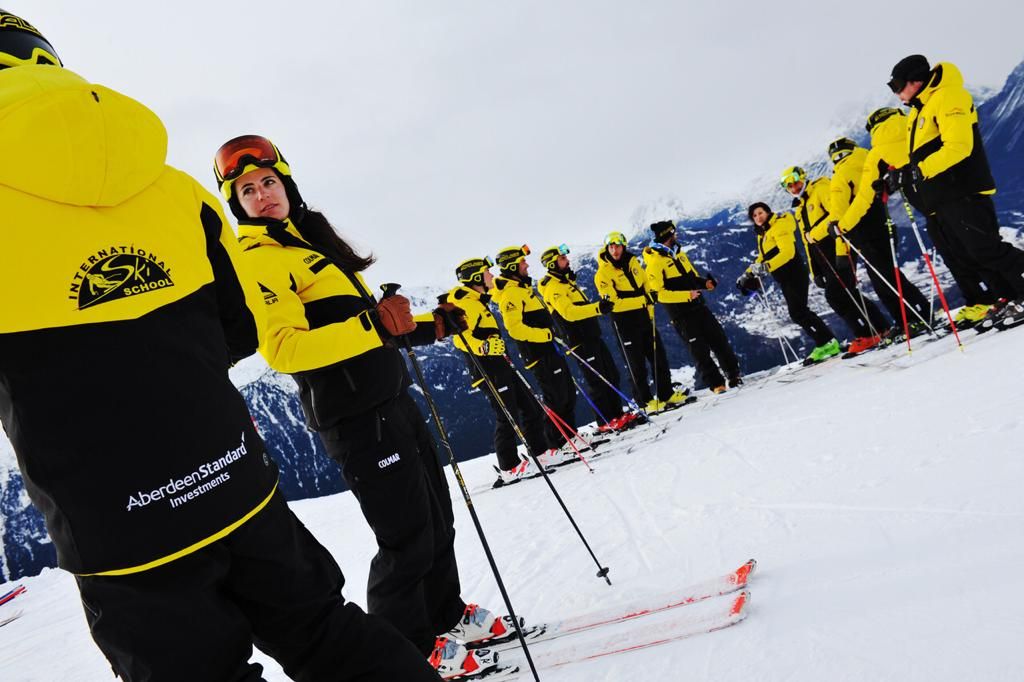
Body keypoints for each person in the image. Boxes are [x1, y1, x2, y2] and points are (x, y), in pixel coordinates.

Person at [0, 12, 440, 682]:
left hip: (121, 528)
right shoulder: (174, 190)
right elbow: (240, 332)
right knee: (328, 634)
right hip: (235, 477)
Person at [213, 134, 505, 678]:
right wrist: (374, 324)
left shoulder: (308, 246)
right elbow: (283, 349)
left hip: (389, 398)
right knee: (405, 536)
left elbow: (363, 327)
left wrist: (424, 328)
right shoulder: (258, 261)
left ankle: (442, 615)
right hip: (353, 417)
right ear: (238, 204)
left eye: (269, 183)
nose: (262, 194)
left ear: (287, 185)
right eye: (248, 190)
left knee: (437, 519)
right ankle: (406, 646)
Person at [885, 54, 1024, 331]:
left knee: (986, 249)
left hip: (963, 189)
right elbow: (921, 155)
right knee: (972, 254)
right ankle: (1009, 295)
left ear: (916, 81)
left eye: (898, 85)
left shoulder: (948, 97)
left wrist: (919, 171)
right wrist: (903, 173)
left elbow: (959, 146)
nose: (897, 92)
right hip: (944, 195)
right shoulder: (920, 109)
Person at [843, 107, 996, 330]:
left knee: (954, 255)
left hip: (930, 208)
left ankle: (979, 301)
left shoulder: (877, 152)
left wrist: (842, 225)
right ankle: (998, 296)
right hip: (956, 194)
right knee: (977, 247)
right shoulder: (914, 127)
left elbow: (865, 196)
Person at [444, 257, 553, 485]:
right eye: (487, 273)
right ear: (475, 278)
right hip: (488, 371)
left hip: (501, 365)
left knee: (530, 407)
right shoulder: (466, 304)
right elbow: (459, 339)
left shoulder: (477, 300)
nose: (492, 276)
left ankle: (541, 453)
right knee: (507, 416)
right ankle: (509, 467)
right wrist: (482, 347)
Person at [828, 127, 939, 337]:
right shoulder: (869, 160)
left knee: (883, 281)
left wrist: (839, 242)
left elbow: (839, 212)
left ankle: (912, 319)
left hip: (863, 233)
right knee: (891, 276)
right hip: (883, 226)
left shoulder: (841, 175)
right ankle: (919, 314)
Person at [536, 244, 640, 432]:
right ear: (552, 264)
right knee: (597, 380)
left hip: (591, 335)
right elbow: (569, 313)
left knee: (611, 374)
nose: (567, 261)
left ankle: (617, 415)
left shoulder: (566, 282)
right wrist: (597, 308)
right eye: (562, 259)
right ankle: (605, 421)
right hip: (579, 340)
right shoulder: (553, 287)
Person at [784, 165, 891, 345]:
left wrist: (815, 234)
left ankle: (867, 334)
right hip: (824, 257)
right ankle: (881, 328)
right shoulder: (800, 207)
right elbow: (807, 242)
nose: (794, 188)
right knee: (849, 293)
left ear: (803, 177)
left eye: (796, 183)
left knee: (836, 296)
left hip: (838, 249)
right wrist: (815, 270)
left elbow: (836, 215)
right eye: (790, 187)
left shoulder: (821, 189)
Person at [595, 231, 693, 412]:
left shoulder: (633, 263)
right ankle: (644, 401)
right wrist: (644, 301)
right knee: (636, 363)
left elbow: (646, 286)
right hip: (624, 322)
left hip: (643, 317)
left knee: (658, 356)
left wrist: (649, 310)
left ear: (624, 246)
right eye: (611, 247)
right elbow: (614, 304)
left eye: (617, 246)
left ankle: (666, 394)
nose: (614, 250)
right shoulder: (603, 273)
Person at [491, 245, 576, 452]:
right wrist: (544, 335)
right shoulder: (511, 294)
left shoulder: (523, 288)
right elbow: (515, 329)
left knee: (567, 393)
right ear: (512, 265)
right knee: (555, 397)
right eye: (522, 262)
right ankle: (555, 442)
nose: (527, 265)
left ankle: (569, 437)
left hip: (549, 348)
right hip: (538, 353)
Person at [643, 220, 742, 392]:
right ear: (667, 235)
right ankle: (716, 384)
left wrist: (706, 283)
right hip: (681, 315)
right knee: (699, 351)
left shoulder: (679, 254)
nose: (676, 235)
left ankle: (734, 375)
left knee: (719, 340)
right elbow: (659, 294)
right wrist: (686, 296)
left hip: (699, 307)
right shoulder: (654, 262)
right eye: (673, 233)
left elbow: (692, 277)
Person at [738, 203, 840, 362]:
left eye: (760, 213)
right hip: (784, 277)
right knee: (800, 311)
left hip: (794, 273)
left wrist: (766, 267)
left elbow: (788, 253)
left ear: (767, 212)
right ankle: (828, 341)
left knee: (798, 312)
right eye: (754, 216)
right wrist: (748, 273)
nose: (758, 217)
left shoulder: (779, 225)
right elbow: (763, 257)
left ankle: (826, 343)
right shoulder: (764, 232)